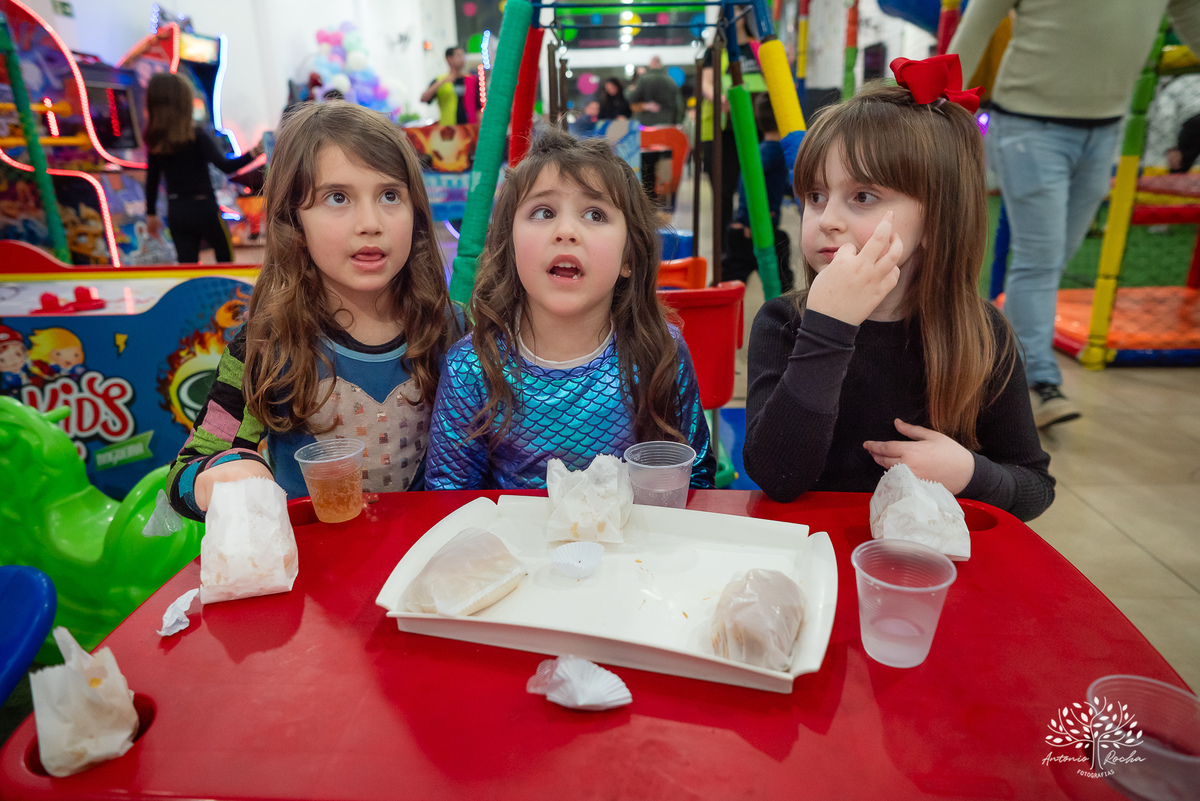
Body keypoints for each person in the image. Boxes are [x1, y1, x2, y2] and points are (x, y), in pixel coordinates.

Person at [743, 59, 1055, 523]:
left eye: (863, 197)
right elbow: (778, 477)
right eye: (815, 196)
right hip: (814, 560)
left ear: (935, 220)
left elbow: (1034, 487)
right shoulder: (783, 322)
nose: (826, 219)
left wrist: (971, 473)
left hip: (928, 568)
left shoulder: (983, 334)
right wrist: (829, 328)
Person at [166, 102, 462, 520]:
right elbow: (186, 471)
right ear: (293, 221)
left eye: (390, 195)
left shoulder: (455, 332)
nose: (370, 222)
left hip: (423, 558)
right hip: (315, 567)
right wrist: (220, 473)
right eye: (337, 197)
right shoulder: (264, 348)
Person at [951, 0, 1200, 428]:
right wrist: (932, 98)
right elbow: (976, 26)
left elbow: (1191, 18)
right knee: (1041, 259)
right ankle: (1038, 383)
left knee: (1054, 259)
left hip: (1105, 129)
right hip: (1030, 125)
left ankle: (990, 362)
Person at [424, 128, 716, 490]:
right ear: (510, 245)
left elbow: (695, 479)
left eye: (595, 215)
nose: (566, 231)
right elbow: (447, 499)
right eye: (543, 212)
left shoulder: (659, 350)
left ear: (628, 257)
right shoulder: (472, 367)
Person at [142, 72, 262, 263]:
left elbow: (152, 180)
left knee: (187, 267)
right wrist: (255, 152)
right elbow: (226, 166)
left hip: (177, 211)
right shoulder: (195, 135)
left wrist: (150, 213)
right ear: (185, 103)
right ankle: (227, 294)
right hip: (205, 208)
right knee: (226, 261)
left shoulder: (154, 139)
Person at [724, 92, 794, 292]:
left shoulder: (762, 150)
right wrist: (748, 219)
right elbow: (748, 185)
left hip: (754, 227)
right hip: (754, 230)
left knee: (732, 278)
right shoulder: (774, 154)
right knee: (782, 282)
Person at [628, 56, 683, 126]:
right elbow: (679, 105)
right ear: (661, 64)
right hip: (667, 122)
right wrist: (676, 122)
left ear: (651, 64)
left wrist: (630, 90)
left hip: (646, 123)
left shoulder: (644, 80)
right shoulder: (671, 81)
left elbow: (632, 98)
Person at [420, 46, 468, 126]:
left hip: (470, 130)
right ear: (449, 59)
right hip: (449, 130)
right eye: (459, 55)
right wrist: (442, 82)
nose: (462, 59)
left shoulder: (470, 80)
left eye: (463, 55)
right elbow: (423, 98)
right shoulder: (440, 80)